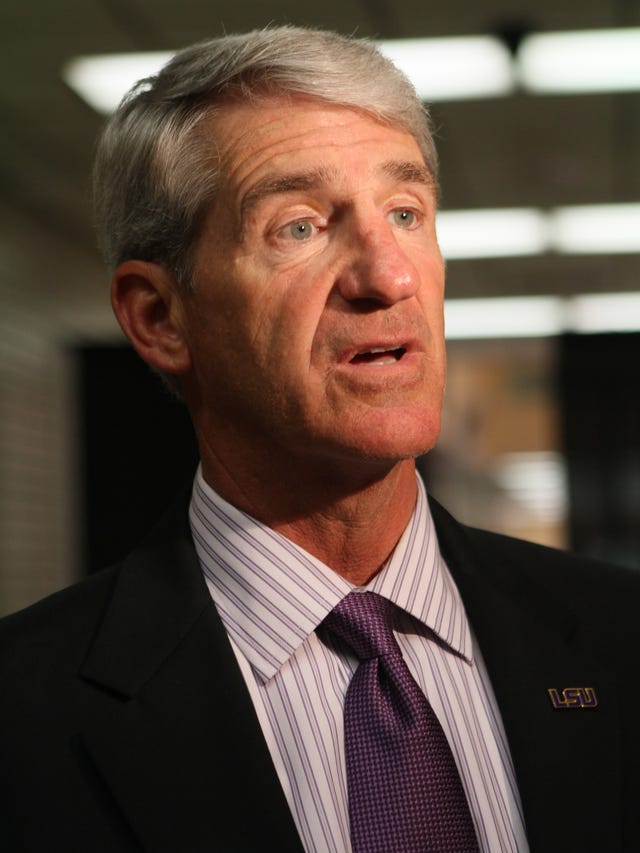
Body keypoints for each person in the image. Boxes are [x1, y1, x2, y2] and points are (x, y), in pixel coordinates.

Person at [1, 26, 638, 853]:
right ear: (161, 318)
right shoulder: (24, 713)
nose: (389, 275)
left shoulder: (622, 637)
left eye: (406, 212)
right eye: (298, 227)